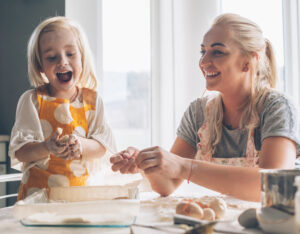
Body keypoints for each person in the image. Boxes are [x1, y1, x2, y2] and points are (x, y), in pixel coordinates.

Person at [110, 13, 300, 202]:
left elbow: (273, 187)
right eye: (203, 52)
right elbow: (166, 185)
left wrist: (184, 167)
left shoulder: (277, 107)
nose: (204, 62)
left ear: (248, 61)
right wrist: (148, 164)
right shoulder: (198, 112)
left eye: (217, 52)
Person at [9, 16, 116, 200]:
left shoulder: (93, 101)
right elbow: (21, 151)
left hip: (81, 198)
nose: (62, 62)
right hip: (38, 200)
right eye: (52, 57)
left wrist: (80, 145)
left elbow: (102, 146)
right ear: (40, 65)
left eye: (70, 54)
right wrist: (46, 146)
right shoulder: (32, 101)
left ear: (82, 57)